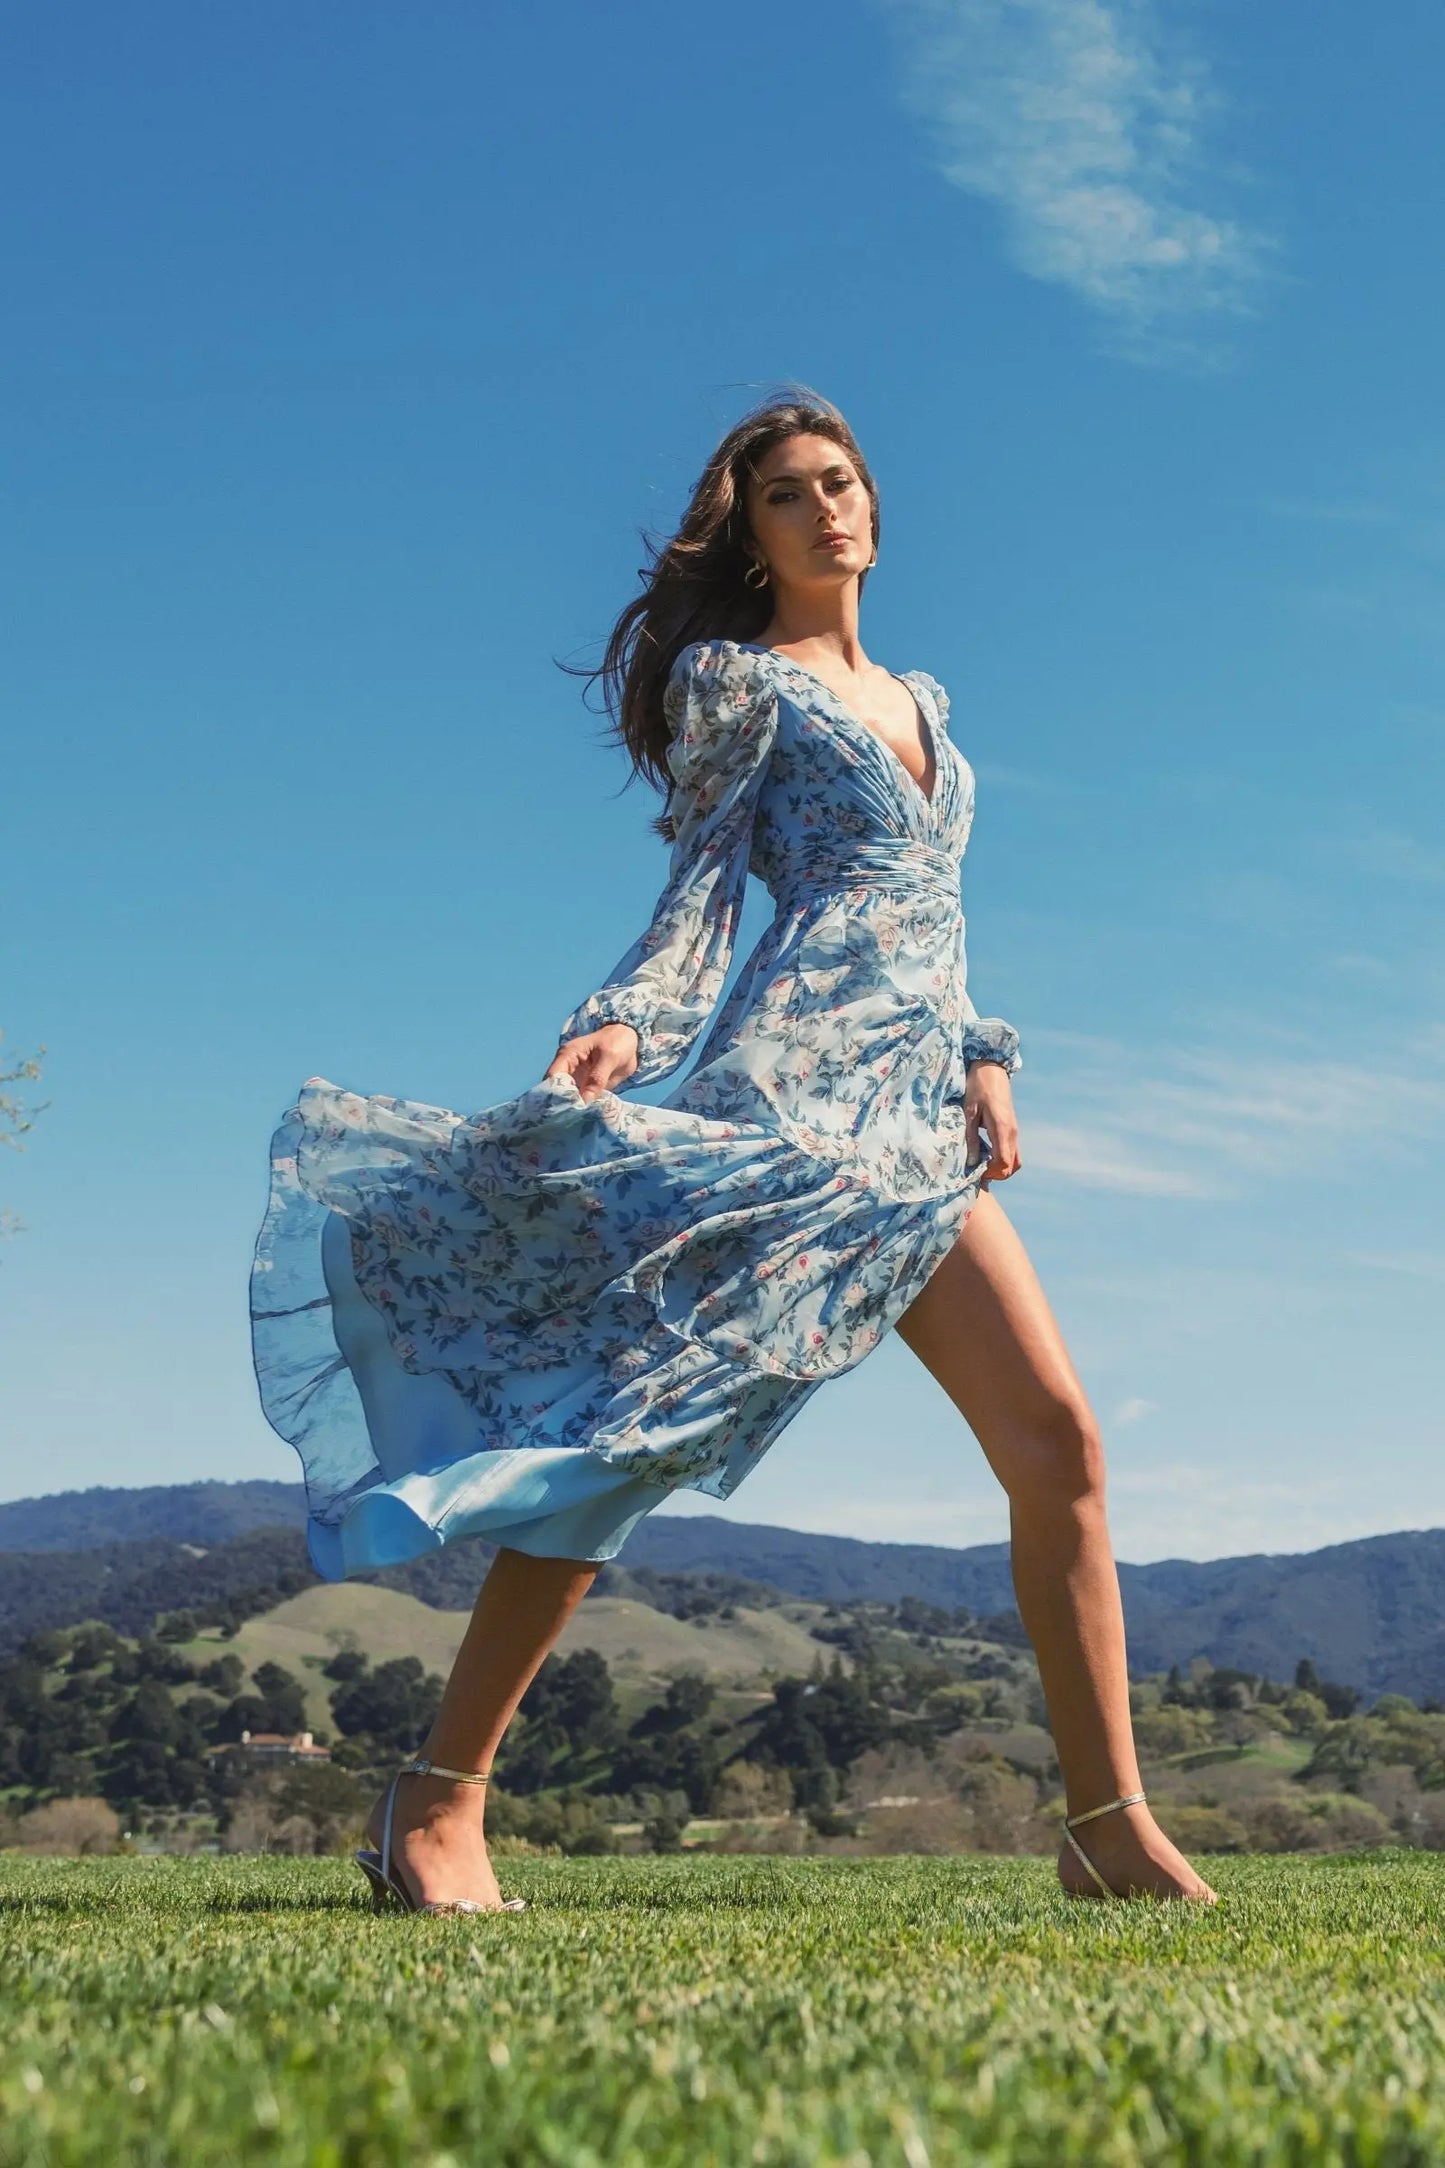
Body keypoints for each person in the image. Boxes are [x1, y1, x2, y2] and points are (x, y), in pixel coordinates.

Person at [250, 390, 1216, 1912]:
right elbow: (702, 892)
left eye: (840, 483)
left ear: (873, 508)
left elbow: (930, 912)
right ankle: (435, 1804)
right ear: (754, 538)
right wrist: (624, 1022)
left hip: (913, 1120)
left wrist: (980, 1053)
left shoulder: (925, 702)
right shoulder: (735, 682)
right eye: (787, 494)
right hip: (792, 1107)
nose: (825, 508)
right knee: (627, 1438)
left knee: (1060, 1448)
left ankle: (1107, 1826)